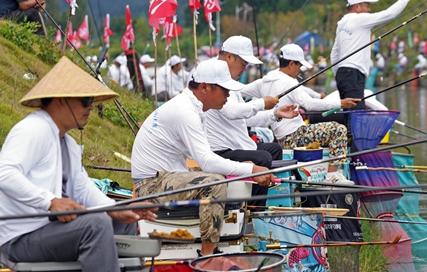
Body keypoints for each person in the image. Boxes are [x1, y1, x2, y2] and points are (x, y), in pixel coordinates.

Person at [0, 57, 157, 272]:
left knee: (122, 220)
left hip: (52, 232)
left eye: (92, 101)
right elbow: (4, 175)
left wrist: (118, 209)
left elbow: (82, 189)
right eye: (86, 101)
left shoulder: (66, 142)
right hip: (22, 239)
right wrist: (50, 202)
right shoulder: (32, 129)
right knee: (95, 224)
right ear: (60, 100)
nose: (91, 107)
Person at [132, 59, 276, 256]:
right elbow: (206, 161)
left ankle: (230, 232)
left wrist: (242, 165)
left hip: (166, 175)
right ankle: (208, 255)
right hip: (150, 185)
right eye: (224, 90)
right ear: (205, 87)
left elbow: (201, 154)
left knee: (221, 173)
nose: (228, 95)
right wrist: (251, 170)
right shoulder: (185, 111)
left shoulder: (196, 108)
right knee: (214, 182)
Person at [242, 44, 360, 184]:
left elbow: (239, 91)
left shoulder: (264, 81)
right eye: (299, 66)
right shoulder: (289, 82)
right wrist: (340, 104)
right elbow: (308, 104)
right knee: (338, 129)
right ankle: (332, 175)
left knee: (327, 132)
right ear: (292, 64)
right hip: (295, 135)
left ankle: (326, 171)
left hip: (282, 138)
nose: (299, 71)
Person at [206, 36, 300, 205]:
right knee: (263, 158)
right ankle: (254, 209)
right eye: (243, 63)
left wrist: (275, 113)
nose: (245, 69)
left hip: (236, 144)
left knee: (274, 149)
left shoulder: (230, 81)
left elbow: (245, 118)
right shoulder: (214, 76)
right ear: (229, 57)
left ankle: (269, 201)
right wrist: (262, 102)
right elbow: (232, 112)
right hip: (220, 149)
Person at [331, 0, 425, 109]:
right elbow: (389, 14)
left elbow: (334, 54)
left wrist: (339, 76)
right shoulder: (359, 19)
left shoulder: (342, 23)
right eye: (367, 6)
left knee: (350, 113)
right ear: (357, 7)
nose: (369, 10)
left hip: (343, 74)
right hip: (353, 74)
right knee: (356, 115)